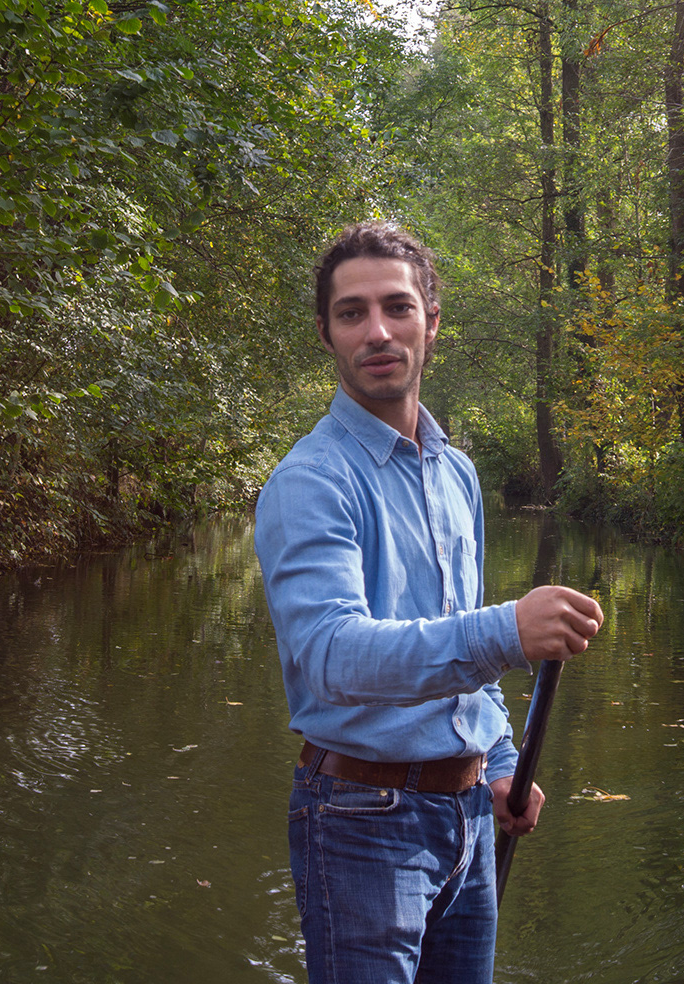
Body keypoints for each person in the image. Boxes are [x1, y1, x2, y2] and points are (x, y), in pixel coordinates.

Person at [254, 220, 604, 984]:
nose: (377, 331)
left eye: (397, 307)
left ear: (432, 322)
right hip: (358, 819)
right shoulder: (311, 481)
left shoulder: (456, 474)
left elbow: (463, 656)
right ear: (326, 334)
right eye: (352, 313)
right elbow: (331, 657)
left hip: (471, 816)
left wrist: (502, 763)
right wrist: (507, 630)